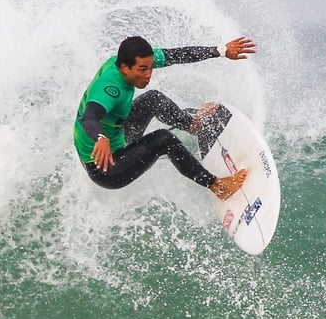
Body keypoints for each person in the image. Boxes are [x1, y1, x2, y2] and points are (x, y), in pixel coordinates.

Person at [73, 35, 257, 199]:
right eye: (143, 69)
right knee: (164, 139)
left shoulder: (126, 60)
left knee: (153, 99)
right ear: (124, 68)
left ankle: (195, 126)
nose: (148, 75)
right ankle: (217, 186)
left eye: (151, 68)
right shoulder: (109, 90)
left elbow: (175, 55)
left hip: (117, 135)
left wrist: (221, 50)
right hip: (105, 167)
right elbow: (89, 117)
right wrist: (100, 137)